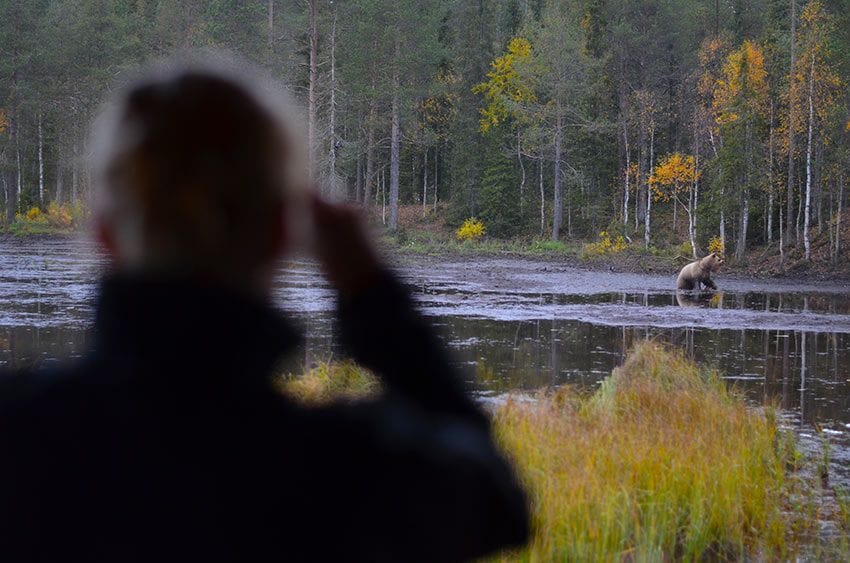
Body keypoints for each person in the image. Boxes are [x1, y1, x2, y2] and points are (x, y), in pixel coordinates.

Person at [0, 56, 529, 562]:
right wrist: (371, 291)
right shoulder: (340, 469)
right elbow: (495, 502)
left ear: (104, 233)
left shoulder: (19, 434)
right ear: (284, 233)